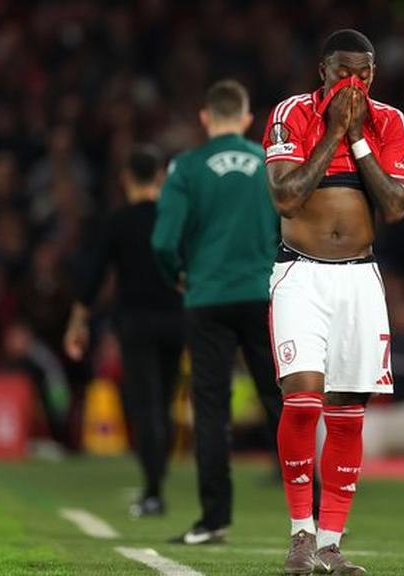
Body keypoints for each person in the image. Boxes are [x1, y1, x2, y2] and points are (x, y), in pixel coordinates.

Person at [262, 29, 404, 575]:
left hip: (359, 280)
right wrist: (333, 134)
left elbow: (395, 205)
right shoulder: (292, 114)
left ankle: (330, 543)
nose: (355, 83)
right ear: (322, 70)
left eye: (364, 73)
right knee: (302, 401)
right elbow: (286, 195)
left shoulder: (389, 121)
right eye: (345, 72)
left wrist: (359, 140)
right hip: (300, 275)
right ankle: (300, 533)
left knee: (347, 415)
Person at [151, 79, 282, 544]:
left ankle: (213, 520)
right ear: (246, 119)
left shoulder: (186, 167)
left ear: (205, 118)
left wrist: (179, 276)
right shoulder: (270, 162)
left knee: (210, 409)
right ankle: (313, 518)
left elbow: (163, 241)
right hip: (264, 293)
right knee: (282, 403)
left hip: (206, 298)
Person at [63, 146, 183, 517]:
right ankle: (158, 475)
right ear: (160, 176)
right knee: (163, 403)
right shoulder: (175, 218)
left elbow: (94, 275)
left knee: (145, 406)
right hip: (176, 320)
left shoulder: (118, 222)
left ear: (126, 178)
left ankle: (153, 488)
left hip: (136, 323)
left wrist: (77, 321)